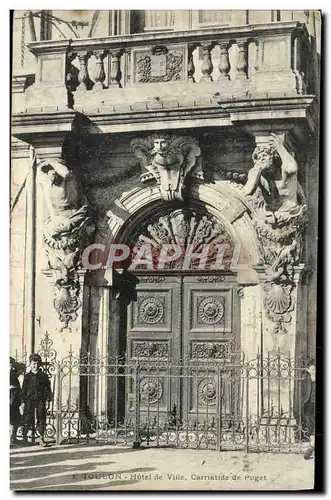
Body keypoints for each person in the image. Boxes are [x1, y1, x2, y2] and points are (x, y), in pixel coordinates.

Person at [21, 354, 53, 446]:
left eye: (37, 363)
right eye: (33, 364)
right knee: (27, 418)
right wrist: (23, 402)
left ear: (40, 364)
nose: (35, 366)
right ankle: (25, 438)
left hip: (40, 400)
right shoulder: (27, 376)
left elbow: (48, 389)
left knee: (41, 418)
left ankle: (41, 438)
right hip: (29, 401)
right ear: (30, 364)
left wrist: (48, 400)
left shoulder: (44, 376)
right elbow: (24, 390)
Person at [302, 358, 316, 460]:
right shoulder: (305, 380)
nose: (315, 371)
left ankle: (311, 447)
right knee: (311, 426)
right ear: (308, 370)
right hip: (309, 406)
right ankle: (312, 446)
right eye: (313, 369)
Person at [10, 357, 22, 445]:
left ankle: (13, 438)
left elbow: (22, 367)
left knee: (17, 419)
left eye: (11, 366)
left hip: (15, 400)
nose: (10, 367)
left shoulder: (13, 374)